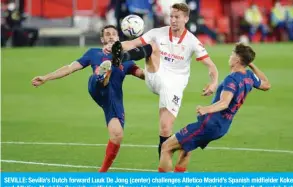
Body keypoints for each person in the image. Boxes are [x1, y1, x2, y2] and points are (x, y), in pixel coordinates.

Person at [109, 3, 219, 172]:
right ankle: (123, 59)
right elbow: (133, 43)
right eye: (172, 16)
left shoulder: (192, 41)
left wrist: (214, 82)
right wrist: (116, 47)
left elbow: (211, 66)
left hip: (174, 84)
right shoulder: (157, 33)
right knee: (153, 46)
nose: (173, 20)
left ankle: (162, 172)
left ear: (186, 19)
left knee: (166, 128)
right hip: (155, 75)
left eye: (177, 17)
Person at [31, 25, 145, 172]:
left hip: (112, 98)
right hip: (96, 89)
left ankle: (101, 174)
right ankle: (102, 73)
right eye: (107, 34)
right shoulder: (94, 53)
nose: (110, 36)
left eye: (113, 34)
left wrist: (156, 68)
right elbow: (70, 68)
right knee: (98, 76)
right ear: (102, 39)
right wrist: (46, 77)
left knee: (117, 135)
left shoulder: (126, 58)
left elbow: (142, 75)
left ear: (118, 38)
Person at [157, 43, 271, 172]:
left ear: (237, 60)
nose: (230, 56)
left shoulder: (232, 79)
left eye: (232, 54)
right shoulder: (249, 76)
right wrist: (249, 63)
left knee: (166, 147)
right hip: (222, 127)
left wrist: (206, 109)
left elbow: (224, 103)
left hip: (209, 124)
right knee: (186, 148)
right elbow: (266, 85)